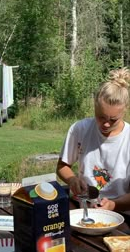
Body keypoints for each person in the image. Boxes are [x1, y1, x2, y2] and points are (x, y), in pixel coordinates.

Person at [56, 67, 130, 211]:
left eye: (113, 120)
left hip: (120, 213)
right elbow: (62, 166)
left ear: (125, 110)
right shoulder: (80, 129)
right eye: (101, 117)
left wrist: (113, 205)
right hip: (81, 206)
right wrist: (72, 180)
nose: (106, 124)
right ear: (94, 106)